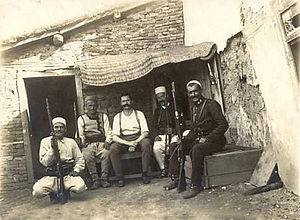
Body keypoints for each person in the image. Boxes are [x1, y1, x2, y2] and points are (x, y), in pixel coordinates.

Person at [164, 80, 228, 199]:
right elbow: (194, 129)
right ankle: (178, 180)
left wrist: (208, 138)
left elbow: (223, 125)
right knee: (176, 145)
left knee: (196, 149)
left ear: (200, 91)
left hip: (215, 141)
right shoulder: (194, 108)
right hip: (200, 139)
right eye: (190, 92)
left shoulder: (211, 104)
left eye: (195, 91)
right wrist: (183, 139)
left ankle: (196, 185)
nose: (193, 95)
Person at [32, 117, 86, 202]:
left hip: (67, 175)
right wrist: (52, 149)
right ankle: (52, 193)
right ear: (52, 129)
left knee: (80, 187)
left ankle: (66, 191)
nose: (59, 129)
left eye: (61, 127)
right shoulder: (45, 141)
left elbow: (80, 159)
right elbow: (45, 162)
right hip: (52, 176)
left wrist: (76, 170)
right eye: (56, 127)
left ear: (65, 129)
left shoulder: (71, 142)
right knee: (37, 192)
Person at [110, 93, 152, 187]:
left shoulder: (139, 114)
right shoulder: (118, 117)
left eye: (128, 100)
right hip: (124, 140)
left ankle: (145, 173)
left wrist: (136, 142)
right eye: (123, 101)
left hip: (138, 138)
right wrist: (128, 143)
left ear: (132, 101)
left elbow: (145, 132)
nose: (126, 103)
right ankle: (120, 177)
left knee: (146, 143)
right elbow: (115, 137)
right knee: (113, 148)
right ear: (121, 103)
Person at [78, 96, 112, 189]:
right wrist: (82, 143)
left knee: (107, 153)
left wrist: (108, 141)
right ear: (86, 107)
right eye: (90, 106)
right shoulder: (81, 118)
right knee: (87, 154)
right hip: (89, 144)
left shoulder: (103, 116)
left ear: (97, 106)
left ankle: (104, 179)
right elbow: (80, 134)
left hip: (101, 142)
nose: (92, 108)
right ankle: (95, 179)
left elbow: (109, 131)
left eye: (94, 105)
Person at [150, 86, 178, 178]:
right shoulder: (157, 111)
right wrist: (156, 136)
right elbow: (153, 127)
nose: (161, 99)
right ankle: (163, 169)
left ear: (167, 95)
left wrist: (174, 131)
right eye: (159, 98)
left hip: (174, 135)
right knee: (156, 147)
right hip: (162, 136)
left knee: (173, 145)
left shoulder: (175, 108)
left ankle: (173, 169)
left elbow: (180, 123)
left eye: (162, 96)